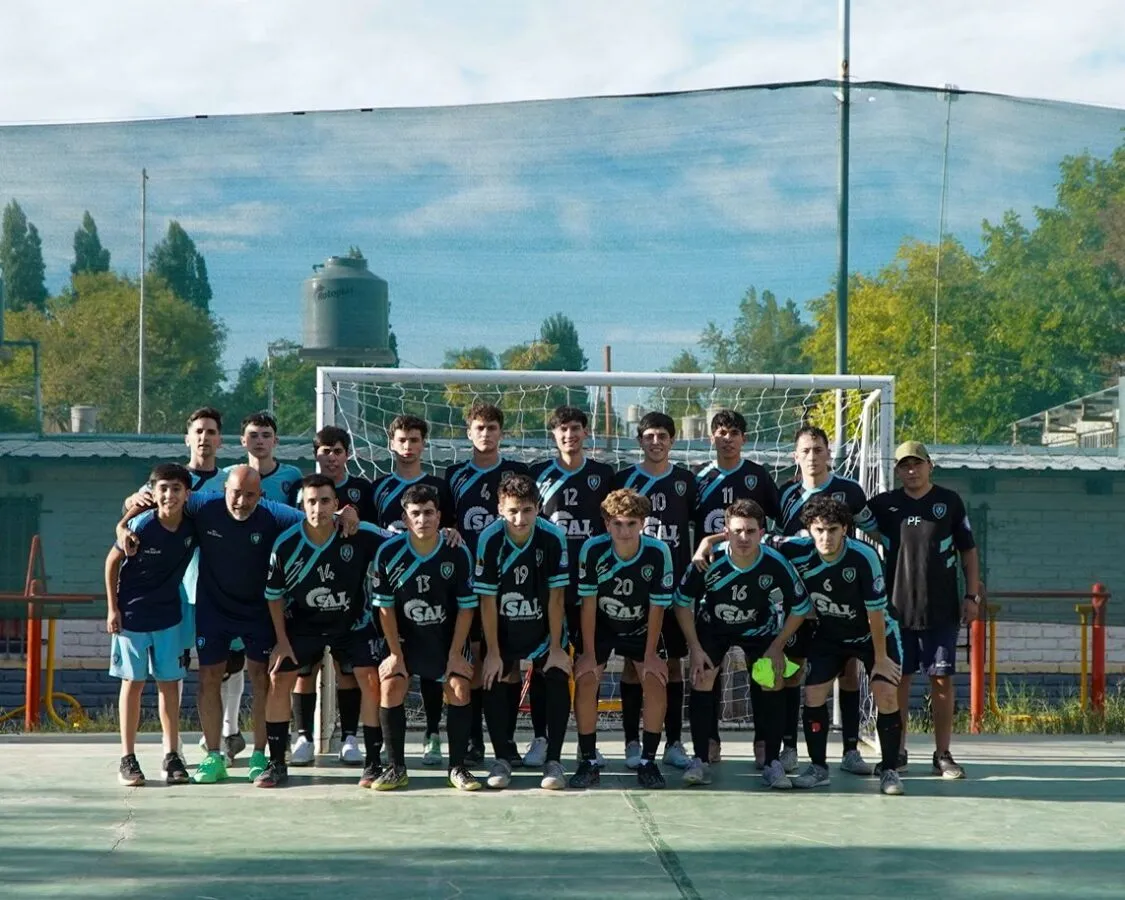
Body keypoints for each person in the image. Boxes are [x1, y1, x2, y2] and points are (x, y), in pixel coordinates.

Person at [119, 465, 359, 785]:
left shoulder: (275, 514)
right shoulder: (203, 504)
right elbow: (152, 498)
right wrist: (128, 508)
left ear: (261, 496)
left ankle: (260, 755)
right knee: (209, 678)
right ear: (223, 491)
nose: (241, 501)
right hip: (213, 610)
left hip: (257, 611)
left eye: (250, 495)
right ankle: (214, 756)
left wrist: (348, 512)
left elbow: (318, 517)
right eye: (235, 493)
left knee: (262, 678)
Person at [257, 474, 392, 788]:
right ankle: (276, 762)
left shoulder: (359, 533)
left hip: (352, 624)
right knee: (278, 675)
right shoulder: (287, 543)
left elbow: (404, 540)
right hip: (303, 626)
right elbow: (273, 596)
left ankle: (373, 763)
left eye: (325, 501)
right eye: (311, 502)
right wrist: (281, 640)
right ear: (302, 505)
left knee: (370, 678)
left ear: (337, 504)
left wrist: (448, 535)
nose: (318, 508)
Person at [674, 499, 809, 789]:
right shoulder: (708, 560)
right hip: (714, 629)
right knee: (702, 675)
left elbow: (800, 607)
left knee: (769, 677)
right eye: (737, 531)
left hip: (759, 631)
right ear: (726, 532)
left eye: (750, 531)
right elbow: (682, 603)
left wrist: (777, 646)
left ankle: (772, 761)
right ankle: (700, 759)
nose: (744, 538)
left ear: (762, 532)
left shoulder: (775, 562)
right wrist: (695, 649)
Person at [778, 496, 906, 795]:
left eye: (833, 529)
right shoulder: (796, 549)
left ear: (846, 529)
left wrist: (881, 658)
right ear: (809, 529)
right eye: (819, 530)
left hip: (875, 634)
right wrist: (709, 544)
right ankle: (819, 768)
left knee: (886, 693)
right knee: (812, 694)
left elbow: (875, 611)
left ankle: (889, 770)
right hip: (830, 634)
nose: (826, 537)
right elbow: (753, 537)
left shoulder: (864, 556)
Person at [868, 441, 981, 779]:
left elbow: (969, 553)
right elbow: (846, 517)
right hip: (895, 611)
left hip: (942, 610)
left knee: (941, 680)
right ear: (897, 471)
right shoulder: (884, 505)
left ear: (930, 466)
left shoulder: (949, 502)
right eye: (904, 465)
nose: (911, 470)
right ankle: (897, 752)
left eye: (917, 464)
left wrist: (972, 597)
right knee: (897, 681)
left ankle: (943, 754)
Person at [124, 408, 231, 759]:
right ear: (188, 438)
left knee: (227, 663)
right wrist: (123, 521)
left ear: (220, 439)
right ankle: (175, 747)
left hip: (218, 588)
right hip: (180, 591)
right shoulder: (169, 480)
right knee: (177, 669)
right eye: (198, 431)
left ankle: (227, 732)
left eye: (211, 431)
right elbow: (134, 507)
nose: (204, 437)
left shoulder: (229, 480)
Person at [774, 425, 878, 776]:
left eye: (819, 449)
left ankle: (850, 749)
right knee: (792, 672)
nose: (813, 456)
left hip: (843, 601)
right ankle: (790, 747)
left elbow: (876, 530)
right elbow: (772, 544)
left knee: (848, 672)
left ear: (828, 453)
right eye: (806, 450)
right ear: (796, 456)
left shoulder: (849, 491)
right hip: (799, 604)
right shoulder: (785, 494)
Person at [369, 484, 480, 791]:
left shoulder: (457, 552)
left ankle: (457, 767)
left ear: (439, 516)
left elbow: (466, 609)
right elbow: (385, 609)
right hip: (406, 641)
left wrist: (456, 654)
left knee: (459, 686)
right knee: (391, 686)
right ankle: (396, 767)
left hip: (445, 641)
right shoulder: (389, 552)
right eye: (415, 513)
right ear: (405, 518)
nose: (422, 519)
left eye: (429, 512)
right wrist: (394, 654)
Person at [212, 410, 305, 759]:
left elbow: (307, 518)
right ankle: (229, 730)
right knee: (228, 662)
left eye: (266, 434)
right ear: (243, 441)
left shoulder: (292, 477)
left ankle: (282, 736)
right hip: (231, 584)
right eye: (253, 434)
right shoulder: (226, 477)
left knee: (272, 665)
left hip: (278, 587)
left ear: (276, 440)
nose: (260, 440)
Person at [692, 409, 781, 767]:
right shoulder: (698, 478)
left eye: (733, 432)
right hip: (712, 589)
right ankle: (708, 744)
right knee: (705, 671)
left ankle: (766, 746)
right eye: (720, 432)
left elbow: (772, 524)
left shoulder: (758, 476)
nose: (726, 438)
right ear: (710, 437)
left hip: (754, 590)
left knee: (763, 672)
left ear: (743, 439)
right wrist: (704, 546)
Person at [570, 488, 674, 790]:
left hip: (641, 626)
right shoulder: (592, 549)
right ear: (606, 524)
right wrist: (588, 653)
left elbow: (658, 606)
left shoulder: (658, 552)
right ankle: (588, 760)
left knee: (654, 679)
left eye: (631, 523)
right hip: (602, 625)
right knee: (588, 678)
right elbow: (588, 604)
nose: (624, 530)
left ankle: (648, 761)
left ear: (643, 523)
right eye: (617, 523)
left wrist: (652, 654)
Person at [528, 405, 614, 768]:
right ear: (554, 435)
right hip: (550, 588)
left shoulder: (604, 474)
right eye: (562, 430)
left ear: (585, 433)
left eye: (576, 428)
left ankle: (585, 741)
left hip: (594, 586)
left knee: (589, 665)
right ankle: (540, 737)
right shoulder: (537, 474)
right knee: (544, 663)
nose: (569, 435)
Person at [445, 402, 530, 766]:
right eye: (479, 427)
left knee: (508, 665)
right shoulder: (454, 475)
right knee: (474, 661)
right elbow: (447, 525)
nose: (486, 434)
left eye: (492, 427)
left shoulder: (516, 473)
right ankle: (475, 740)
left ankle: (505, 738)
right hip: (467, 582)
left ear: (501, 432)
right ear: (469, 432)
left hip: (510, 581)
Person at [476, 473, 572, 790]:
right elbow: (487, 601)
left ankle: (553, 761)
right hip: (503, 629)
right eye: (513, 510)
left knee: (556, 673)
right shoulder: (490, 539)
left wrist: (557, 647)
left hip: (543, 627)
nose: (520, 518)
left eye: (528, 510)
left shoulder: (553, 537)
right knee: (494, 674)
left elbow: (557, 597)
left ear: (538, 508)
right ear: (500, 507)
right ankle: (502, 757)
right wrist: (491, 652)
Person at [371, 414, 455, 768]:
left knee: (434, 669)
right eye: (402, 440)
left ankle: (433, 734)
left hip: (435, 590)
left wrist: (452, 532)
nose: (408, 447)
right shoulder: (378, 487)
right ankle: (386, 750)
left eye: (415, 440)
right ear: (391, 443)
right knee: (393, 667)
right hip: (393, 589)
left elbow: (451, 529)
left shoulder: (440, 486)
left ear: (424, 444)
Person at [288, 425, 374, 767]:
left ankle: (349, 737)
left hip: (348, 596)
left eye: (337, 451)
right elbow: (292, 523)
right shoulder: (300, 487)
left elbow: (371, 532)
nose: (331, 457)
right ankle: (304, 737)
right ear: (316, 454)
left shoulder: (362, 489)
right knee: (303, 672)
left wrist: (354, 516)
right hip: (306, 599)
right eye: (324, 451)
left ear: (347, 454)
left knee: (348, 670)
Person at [105, 463, 197, 787]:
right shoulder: (141, 525)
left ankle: (172, 755)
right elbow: (110, 563)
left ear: (187, 494)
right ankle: (127, 758)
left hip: (169, 616)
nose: (169, 494)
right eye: (163, 489)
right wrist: (112, 609)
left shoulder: (192, 528)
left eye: (176, 488)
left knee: (169, 684)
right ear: (153, 493)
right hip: (132, 617)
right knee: (133, 682)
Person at [614, 412, 696, 771]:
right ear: (640, 441)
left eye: (662, 435)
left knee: (673, 667)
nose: (656, 441)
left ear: (672, 440)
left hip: (674, 593)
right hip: (635, 593)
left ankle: (674, 742)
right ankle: (631, 742)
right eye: (649, 435)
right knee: (633, 668)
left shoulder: (686, 482)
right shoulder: (624, 480)